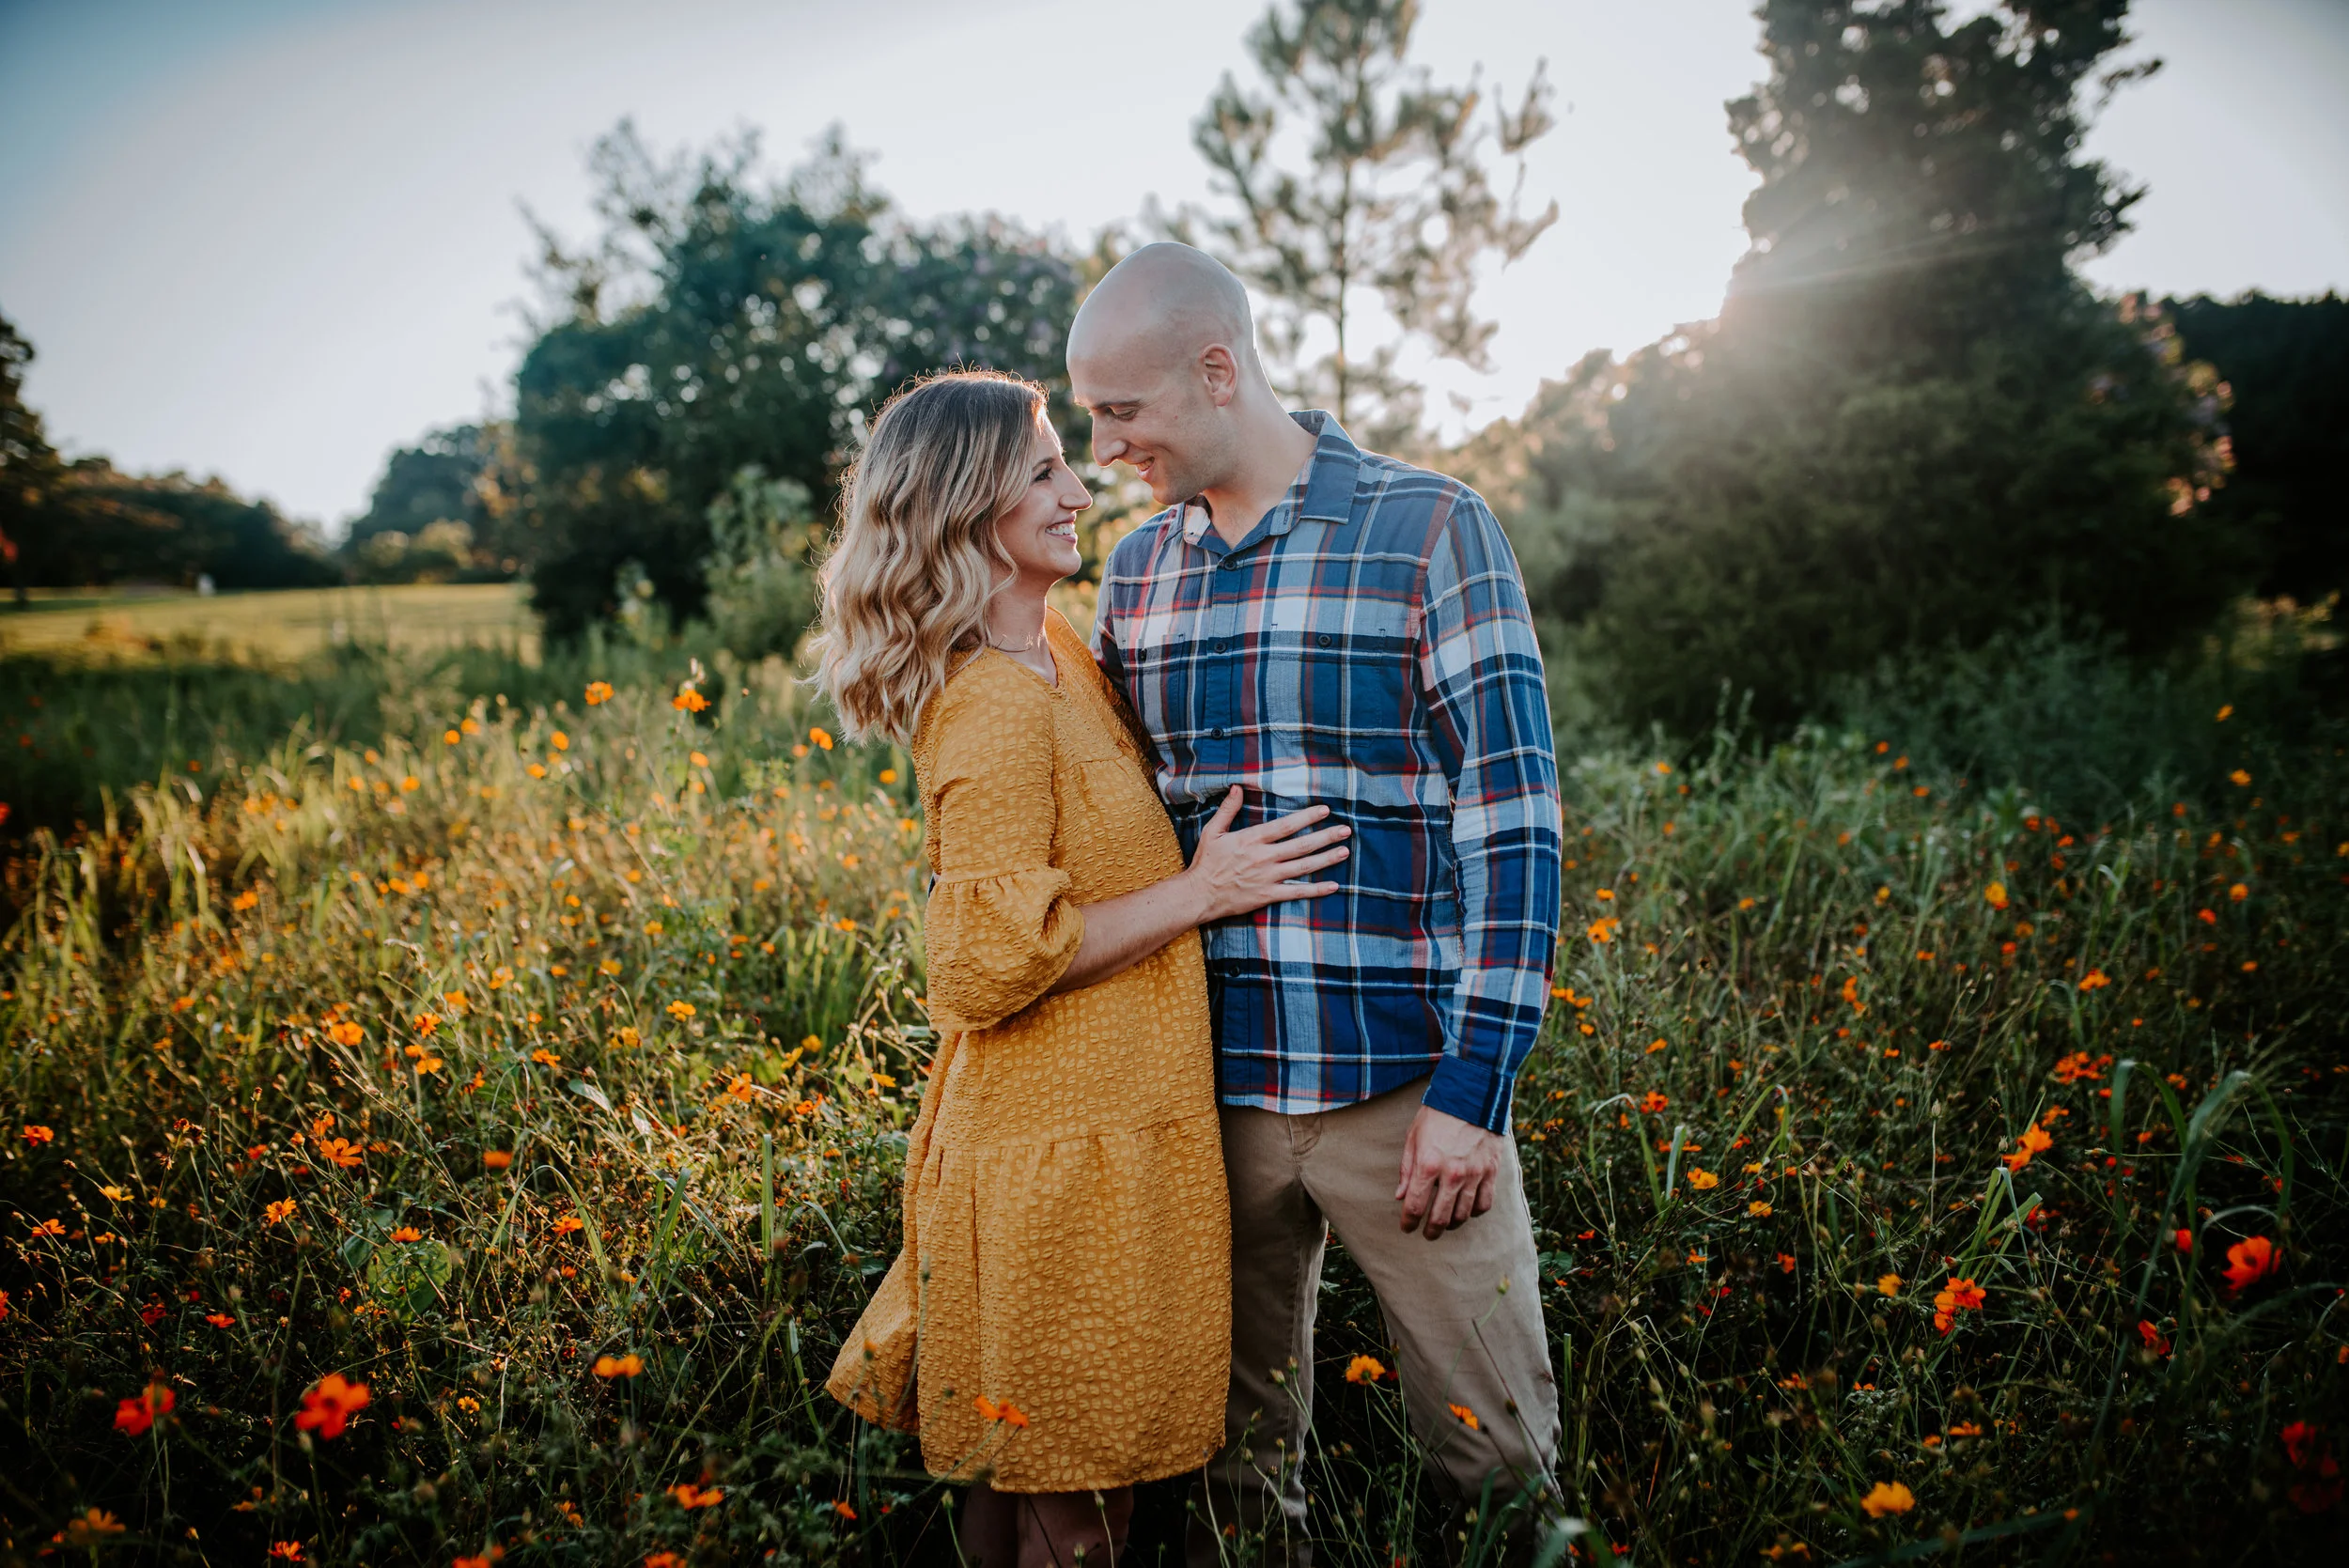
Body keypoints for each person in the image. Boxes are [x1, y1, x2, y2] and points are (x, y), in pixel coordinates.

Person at [1068, 244, 1567, 1563]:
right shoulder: (1135, 577)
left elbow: (1514, 822)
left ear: (1217, 369)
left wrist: (1479, 1090)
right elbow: (1122, 833)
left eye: (1122, 412)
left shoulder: (1433, 527)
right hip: (1204, 1095)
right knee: (1230, 1468)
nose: (1103, 446)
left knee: (1498, 1456)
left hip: (1404, 1090)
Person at [811, 369, 1355, 1568]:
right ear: (969, 504)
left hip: (1103, 1127)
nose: (1078, 486)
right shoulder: (996, 704)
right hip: (1053, 1152)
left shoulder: (1055, 647)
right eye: (1046, 467)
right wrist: (1201, 892)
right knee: (1080, 1501)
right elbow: (984, 959)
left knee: (1032, 1480)